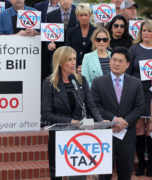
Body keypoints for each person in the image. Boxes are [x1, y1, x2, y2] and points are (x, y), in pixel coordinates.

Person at [42, 46, 105, 180]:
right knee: (57, 172)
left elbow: (90, 105)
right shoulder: (49, 83)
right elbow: (46, 113)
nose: (73, 62)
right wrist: (70, 122)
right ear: (60, 62)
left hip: (78, 135)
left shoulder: (81, 80)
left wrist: (101, 121)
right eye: (69, 59)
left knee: (78, 173)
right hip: (58, 134)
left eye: (74, 59)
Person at [91, 46, 145, 180]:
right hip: (104, 135)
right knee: (104, 175)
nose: (116, 63)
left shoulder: (136, 83)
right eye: (114, 60)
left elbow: (139, 107)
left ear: (127, 64)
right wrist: (114, 120)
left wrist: (124, 122)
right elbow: (94, 105)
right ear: (110, 61)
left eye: (120, 61)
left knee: (125, 174)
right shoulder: (98, 82)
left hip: (127, 136)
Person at [126, 19, 152, 177]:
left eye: (149, 30)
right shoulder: (134, 49)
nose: (146, 33)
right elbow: (127, 73)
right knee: (139, 128)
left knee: (151, 129)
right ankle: (141, 162)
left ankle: (151, 164)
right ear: (140, 32)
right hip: (139, 93)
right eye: (144, 30)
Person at [65, 3, 96, 72]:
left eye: (85, 15)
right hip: (74, 68)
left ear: (90, 16)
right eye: (81, 15)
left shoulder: (96, 31)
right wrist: (75, 67)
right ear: (77, 17)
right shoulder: (71, 31)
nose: (83, 17)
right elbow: (67, 51)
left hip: (92, 68)